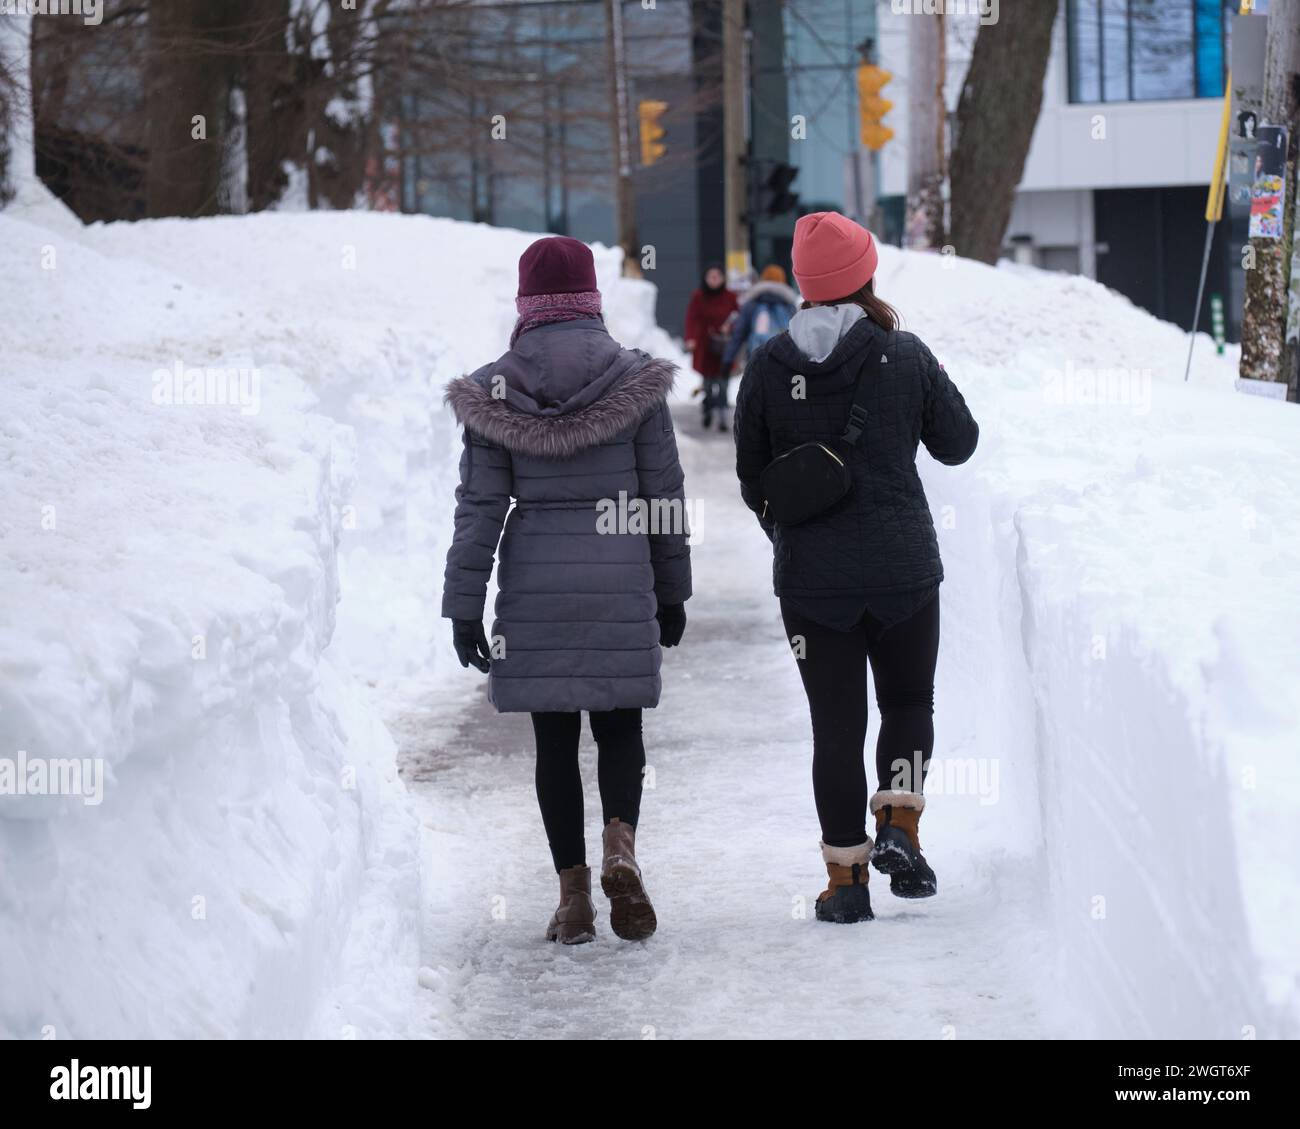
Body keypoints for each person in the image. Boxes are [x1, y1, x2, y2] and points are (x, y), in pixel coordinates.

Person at [442, 235, 692, 945]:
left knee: (554, 745)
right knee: (620, 729)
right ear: (592, 298)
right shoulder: (635, 382)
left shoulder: (495, 390)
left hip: (535, 591)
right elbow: (662, 497)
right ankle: (621, 844)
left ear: (526, 304)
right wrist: (673, 591)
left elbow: (479, 509)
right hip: (620, 582)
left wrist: (464, 604)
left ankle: (574, 899)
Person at [733, 212, 978, 924]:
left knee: (834, 727)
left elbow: (754, 478)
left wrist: (790, 529)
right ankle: (899, 822)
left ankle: (846, 884)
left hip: (813, 586)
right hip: (905, 572)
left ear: (805, 287)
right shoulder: (904, 355)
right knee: (907, 703)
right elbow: (959, 443)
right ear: (867, 275)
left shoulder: (769, 367)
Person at [683, 264, 739, 431]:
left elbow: (738, 318)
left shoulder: (730, 297)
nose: (714, 280)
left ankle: (722, 417)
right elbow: (691, 319)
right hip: (705, 346)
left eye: (717, 277)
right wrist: (691, 338)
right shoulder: (698, 296)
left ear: (722, 279)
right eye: (711, 277)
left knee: (723, 384)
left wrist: (730, 328)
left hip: (724, 347)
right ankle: (708, 409)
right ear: (706, 279)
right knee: (708, 384)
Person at [720, 265, 800, 379]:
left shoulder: (752, 303)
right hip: (785, 361)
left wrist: (727, 360)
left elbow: (738, 334)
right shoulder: (789, 304)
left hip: (757, 360)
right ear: (782, 280)